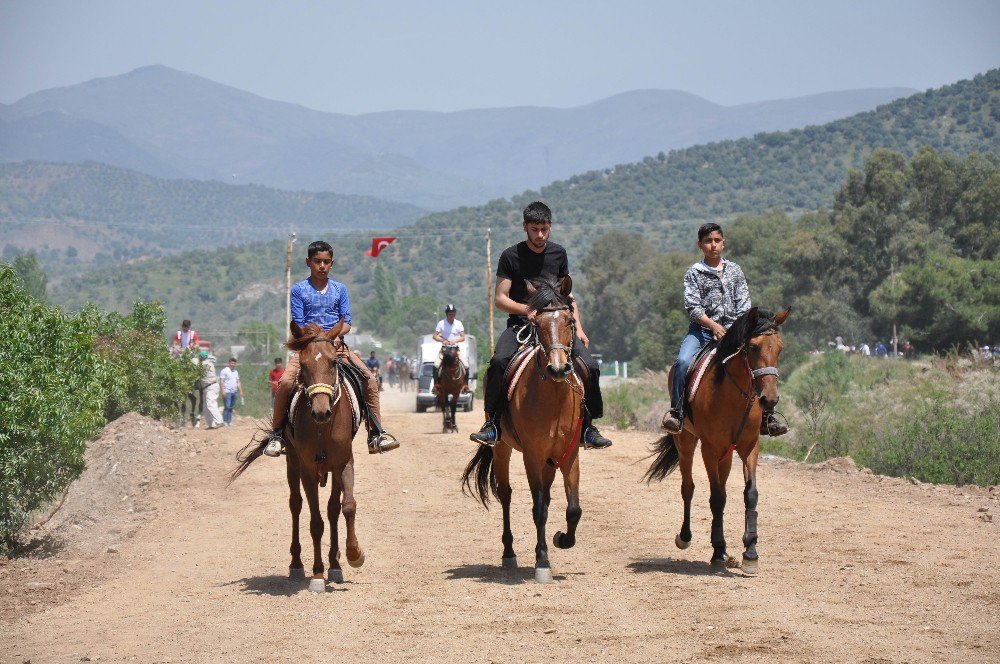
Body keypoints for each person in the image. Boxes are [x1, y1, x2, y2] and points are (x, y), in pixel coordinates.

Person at [470, 201, 612, 449]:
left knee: (589, 366)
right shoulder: (510, 256)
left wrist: (578, 328)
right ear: (525, 227)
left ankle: (588, 426)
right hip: (521, 325)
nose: (540, 234)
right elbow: (500, 299)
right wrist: (527, 310)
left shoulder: (559, 254)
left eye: (544, 229)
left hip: (557, 325)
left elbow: (568, 297)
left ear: (550, 227)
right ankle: (492, 424)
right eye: (535, 229)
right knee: (499, 363)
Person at [262, 240, 399, 457]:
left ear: (332, 263)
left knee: (369, 380)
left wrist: (333, 336)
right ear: (308, 262)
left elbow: (347, 322)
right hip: (309, 349)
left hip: (337, 346)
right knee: (286, 382)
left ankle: (375, 434)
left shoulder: (339, 289)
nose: (322, 266)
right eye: (317, 261)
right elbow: (299, 322)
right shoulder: (299, 290)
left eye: (326, 262)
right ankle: (277, 434)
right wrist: (320, 338)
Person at [661, 222, 787, 437]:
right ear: (700, 245)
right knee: (682, 362)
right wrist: (713, 326)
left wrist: (735, 329)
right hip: (701, 332)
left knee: (759, 362)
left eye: (717, 241)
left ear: (723, 243)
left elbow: (744, 305)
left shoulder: (735, 270)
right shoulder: (694, 273)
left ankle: (767, 416)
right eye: (708, 241)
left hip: (735, 332)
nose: (713, 245)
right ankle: (677, 412)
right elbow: (693, 307)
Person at [432, 303, 469, 391]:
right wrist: (443, 340)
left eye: (453, 314)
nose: (451, 316)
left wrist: (455, 341)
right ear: (446, 314)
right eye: (450, 314)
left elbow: (463, 337)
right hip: (445, 350)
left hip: (455, 350)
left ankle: (465, 386)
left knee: (466, 365)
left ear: (455, 314)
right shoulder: (441, 323)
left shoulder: (459, 323)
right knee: (435, 365)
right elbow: (435, 336)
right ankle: (436, 386)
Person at [199, 349, 224, 429]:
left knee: (211, 404)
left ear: (201, 357)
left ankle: (219, 421)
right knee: (206, 407)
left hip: (211, 386)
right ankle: (211, 424)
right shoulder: (207, 363)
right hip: (207, 387)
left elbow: (197, 367)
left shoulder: (205, 364)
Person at [219, 357, 244, 427]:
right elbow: (221, 381)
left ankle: (229, 421)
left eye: (234, 363)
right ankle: (225, 421)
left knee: (231, 407)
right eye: (232, 363)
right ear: (229, 363)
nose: (233, 364)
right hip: (227, 392)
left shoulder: (236, 372)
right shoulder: (224, 371)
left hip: (234, 391)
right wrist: (222, 391)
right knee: (227, 406)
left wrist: (241, 391)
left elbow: (238, 382)